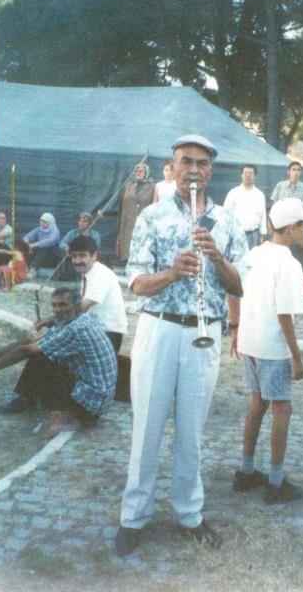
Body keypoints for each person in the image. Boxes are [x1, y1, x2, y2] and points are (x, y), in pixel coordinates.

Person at [115, 134, 248, 557]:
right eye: (185, 161)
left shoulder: (226, 222)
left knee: (192, 430)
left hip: (203, 331)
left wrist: (217, 259)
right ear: (172, 167)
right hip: (158, 328)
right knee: (147, 427)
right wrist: (173, 273)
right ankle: (133, 517)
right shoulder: (151, 216)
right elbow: (136, 283)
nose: (193, 169)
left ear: (211, 170)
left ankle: (189, 514)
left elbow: (241, 284)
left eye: (201, 163)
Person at [228, 199, 303, 504]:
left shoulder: (254, 254)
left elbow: (235, 290)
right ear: (292, 228)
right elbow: (284, 316)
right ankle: (276, 482)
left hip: (250, 341)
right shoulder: (290, 264)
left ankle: (246, 470)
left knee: (257, 405)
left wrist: (236, 328)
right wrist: (296, 356)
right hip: (272, 346)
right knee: (282, 409)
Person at [0, 287, 117, 434]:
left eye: (62, 304)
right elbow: (30, 340)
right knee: (41, 350)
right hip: (97, 397)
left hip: (90, 406)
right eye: (54, 305)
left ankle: (55, 412)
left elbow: (24, 351)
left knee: (40, 354)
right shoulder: (75, 320)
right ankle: (26, 399)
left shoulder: (76, 329)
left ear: (77, 306)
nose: (57, 310)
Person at [38, 235, 128, 354]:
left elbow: (81, 307)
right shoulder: (88, 273)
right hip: (94, 330)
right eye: (74, 256)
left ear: (94, 255)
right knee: (44, 346)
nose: (77, 261)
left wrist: (50, 320)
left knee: (44, 350)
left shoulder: (101, 275)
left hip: (107, 335)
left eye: (82, 255)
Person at [269, 161, 303, 273]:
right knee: (278, 258)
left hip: (296, 229)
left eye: (298, 170)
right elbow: (274, 207)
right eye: (293, 170)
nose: (296, 172)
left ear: (301, 172)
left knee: (297, 259)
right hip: (281, 229)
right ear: (288, 171)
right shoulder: (280, 186)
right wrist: (272, 227)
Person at [117, 163, 155, 262]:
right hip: (127, 219)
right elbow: (122, 202)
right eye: (136, 171)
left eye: (141, 171)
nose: (138, 173)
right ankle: (125, 259)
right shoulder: (129, 185)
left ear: (146, 173)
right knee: (127, 245)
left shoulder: (152, 187)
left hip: (142, 221)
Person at [223, 164, 267, 249]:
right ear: (241, 175)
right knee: (236, 261)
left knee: (252, 260)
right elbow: (225, 215)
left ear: (255, 176)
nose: (248, 175)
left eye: (250, 173)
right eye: (245, 173)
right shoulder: (233, 193)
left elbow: (263, 216)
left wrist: (262, 236)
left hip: (254, 236)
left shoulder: (260, 195)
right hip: (236, 235)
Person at [56, 212, 101, 281]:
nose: (82, 223)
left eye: (85, 221)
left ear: (89, 223)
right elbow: (62, 243)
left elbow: (96, 247)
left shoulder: (95, 234)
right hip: (74, 256)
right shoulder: (72, 232)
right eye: (80, 221)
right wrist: (66, 247)